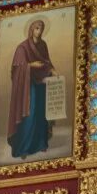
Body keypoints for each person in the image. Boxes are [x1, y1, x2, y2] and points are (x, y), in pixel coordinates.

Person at [7, 18, 56, 160]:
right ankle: (23, 147)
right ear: (31, 29)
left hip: (41, 82)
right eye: (37, 28)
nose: (39, 31)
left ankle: (40, 143)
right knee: (30, 112)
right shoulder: (22, 48)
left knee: (41, 112)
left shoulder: (43, 45)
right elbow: (16, 68)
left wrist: (53, 70)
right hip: (27, 86)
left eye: (41, 28)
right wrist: (30, 66)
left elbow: (47, 61)